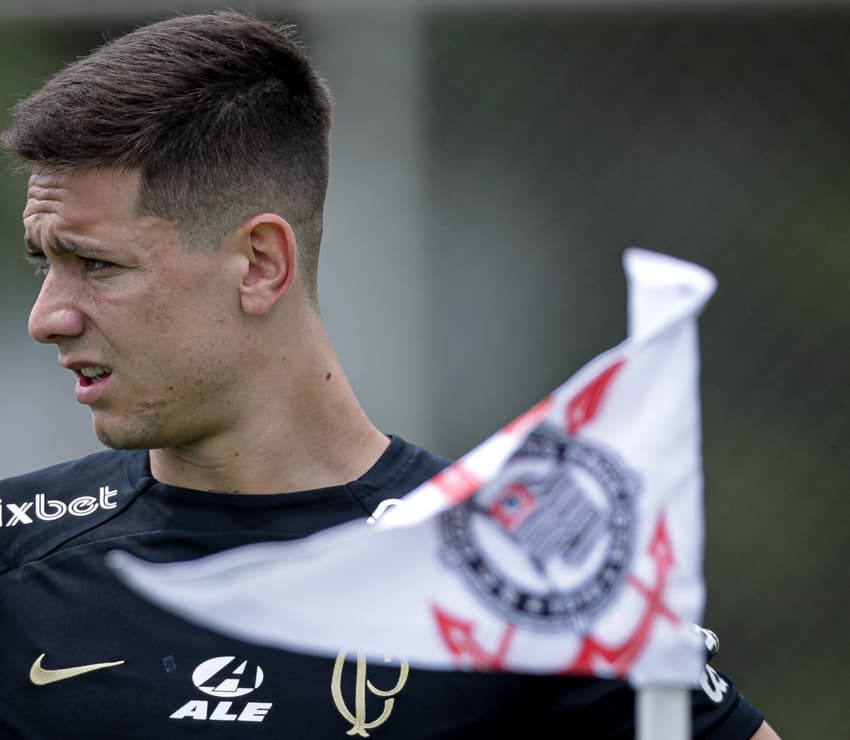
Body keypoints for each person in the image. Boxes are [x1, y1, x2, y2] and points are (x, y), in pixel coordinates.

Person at [0, 11, 778, 739]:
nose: (48, 317)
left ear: (260, 264)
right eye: (47, 264)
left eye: (96, 264)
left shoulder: (524, 578)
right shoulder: (18, 561)